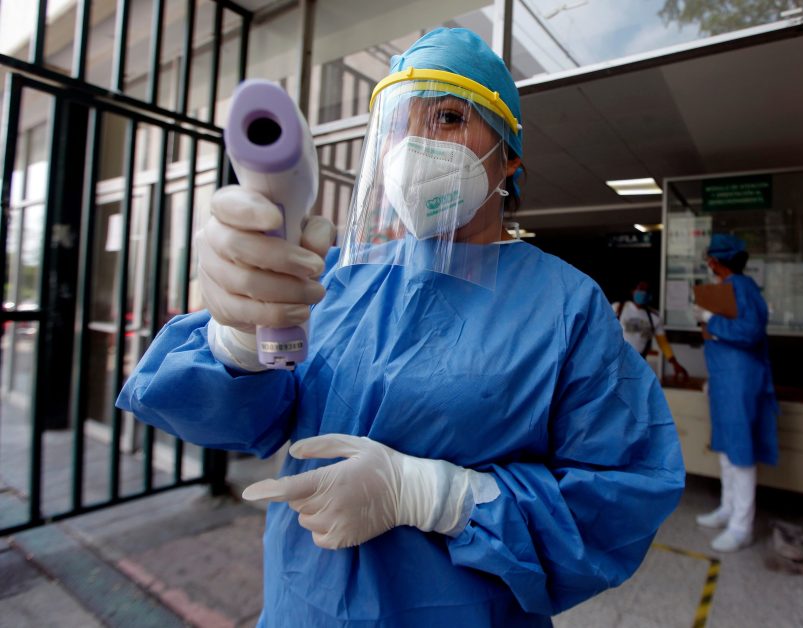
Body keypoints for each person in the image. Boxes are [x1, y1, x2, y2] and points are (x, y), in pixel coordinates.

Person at [117, 28, 684, 627]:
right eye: (398, 124)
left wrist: (435, 495)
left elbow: (622, 495)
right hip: (302, 604)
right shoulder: (335, 277)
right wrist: (237, 340)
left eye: (445, 117)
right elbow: (241, 420)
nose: (414, 145)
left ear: (509, 158)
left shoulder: (566, 306)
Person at [692, 233, 779, 553]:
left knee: (739, 450)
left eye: (710, 260)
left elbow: (749, 332)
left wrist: (711, 319)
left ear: (717, 261)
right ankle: (728, 508)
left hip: (741, 379)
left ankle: (742, 526)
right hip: (727, 379)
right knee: (727, 448)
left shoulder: (742, 288)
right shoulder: (728, 290)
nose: (709, 265)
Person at [612, 281, 689, 383]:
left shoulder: (655, 317)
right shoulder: (618, 308)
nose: (642, 293)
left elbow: (663, 343)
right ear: (633, 291)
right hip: (617, 363)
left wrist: (674, 363)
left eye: (645, 291)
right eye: (640, 289)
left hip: (638, 364)